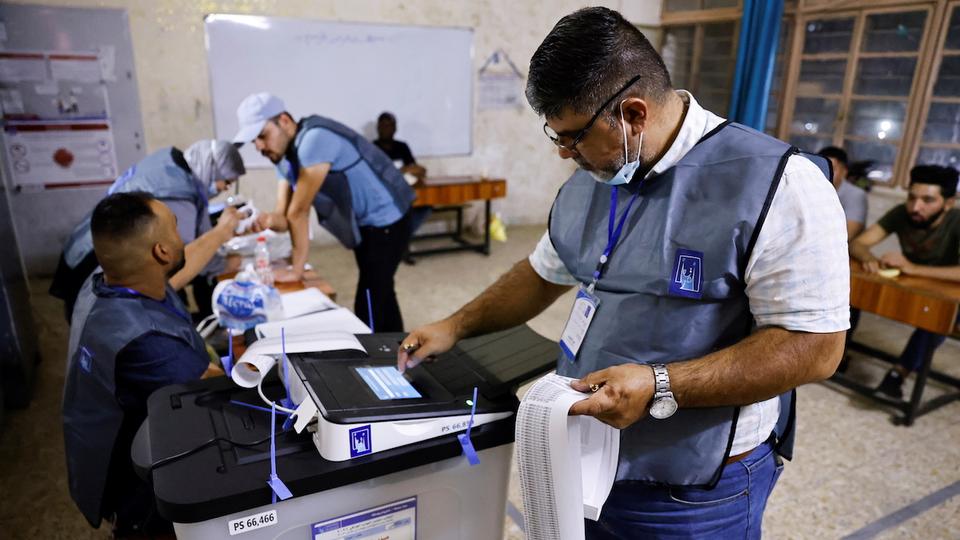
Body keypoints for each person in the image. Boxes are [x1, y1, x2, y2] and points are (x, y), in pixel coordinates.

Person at [397, 8, 849, 539]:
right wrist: (455, 325)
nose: (565, 154)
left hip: (692, 491)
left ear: (634, 113)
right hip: (587, 462)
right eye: (555, 137)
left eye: (574, 137)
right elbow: (544, 272)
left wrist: (663, 384)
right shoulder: (600, 174)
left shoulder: (778, 184)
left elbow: (816, 347)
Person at [63, 192, 223, 537]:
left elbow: (175, 277)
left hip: (96, 437)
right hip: (135, 479)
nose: (183, 238)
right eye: (176, 228)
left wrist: (222, 233)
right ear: (162, 252)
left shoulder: (106, 282)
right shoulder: (149, 343)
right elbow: (215, 388)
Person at [232, 93, 416, 332]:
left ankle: (388, 356)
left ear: (285, 122)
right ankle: (396, 347)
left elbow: (298, 212)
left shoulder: (314, 139)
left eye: (262, 136)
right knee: (379, 290)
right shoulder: (284, 159)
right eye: (253, 141)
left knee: (371, 299)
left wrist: (296, 271)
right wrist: (264, 219)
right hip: (366, 224)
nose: (258, 147)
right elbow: (284, 217)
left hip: (389, 219)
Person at [50, 140, 244, 321]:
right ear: (210, 169)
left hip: (85, 246)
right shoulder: (178, 194)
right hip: (95, 268)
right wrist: (223, 249)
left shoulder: (171, 162)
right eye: (226, 181)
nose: (225, 188)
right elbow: (180, 263)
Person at [849, 164, 960, 398]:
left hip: (951, 295)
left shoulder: (957, 221)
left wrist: (913, 269)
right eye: (912, 197)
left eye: (928, 200)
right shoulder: (902, 212)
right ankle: (836, 352)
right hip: (918, 286)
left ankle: (898, 374)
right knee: (854, 285)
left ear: (948, 203)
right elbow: (858, 244)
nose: (915, 207)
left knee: (935, 315)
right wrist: (869, 257)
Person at [818, 146, 868, 239]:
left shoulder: (856, 194)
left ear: (844, 172)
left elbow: (849, 234)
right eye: (821, 168)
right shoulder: (812, 189)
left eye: (832, 168)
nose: (825, 173)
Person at [373, 111, 427, 181]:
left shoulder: (402, 147)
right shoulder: (372, 148)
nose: (385, 129)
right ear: (378, 128)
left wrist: (402, 170)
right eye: (383, 125)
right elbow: (376, 173)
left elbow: (417, 169)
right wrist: (401, 170)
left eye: (389, 125)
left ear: (395, 128)